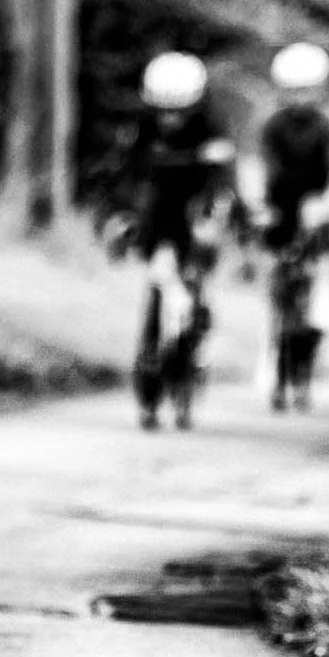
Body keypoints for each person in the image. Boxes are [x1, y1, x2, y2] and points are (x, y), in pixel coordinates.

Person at [108, 52, 235, 425]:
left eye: (179, 111)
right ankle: (150, 358)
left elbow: (222, 178)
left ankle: (197, 336)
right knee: (155, 277)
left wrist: (213, 219)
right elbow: (124, 175)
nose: (170, 118)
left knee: (198, 261)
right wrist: (121, 215)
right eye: (162, 110)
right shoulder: (139, 126)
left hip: (197, 205)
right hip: (159, 209)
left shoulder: (214, 124)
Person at [239, 42, 329, 403]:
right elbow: (252, 162)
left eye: (305, 89)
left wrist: (327, 206)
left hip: (320, 205)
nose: (298, 98)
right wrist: (257, 202)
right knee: (274, 277)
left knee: (324, 278)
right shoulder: (267, 116)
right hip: (280, 203)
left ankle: (314, 336)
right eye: (291, 90)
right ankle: (272, 346)